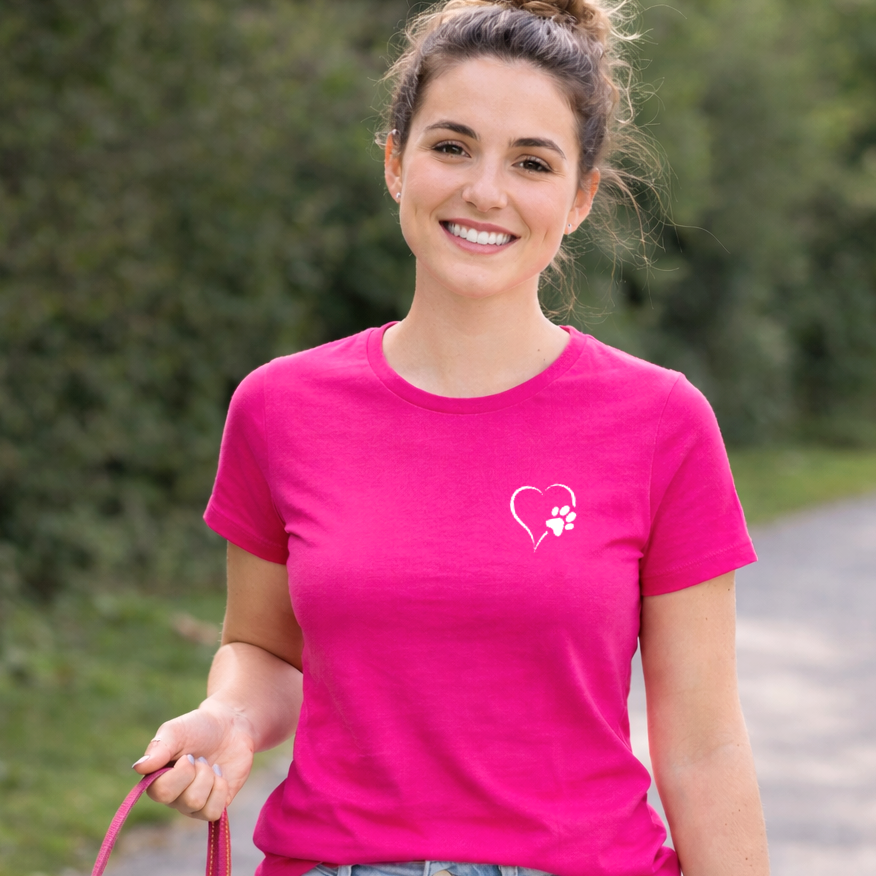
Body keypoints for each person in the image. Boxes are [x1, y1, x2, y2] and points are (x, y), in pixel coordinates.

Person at [133, 1, 770, 874]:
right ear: (396, 164)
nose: (485, 192)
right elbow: (266, 651)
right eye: (451, 146)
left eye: (532, 162)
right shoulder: (280, 408)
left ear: (580, 197)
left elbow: (704, 749)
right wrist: (231, 720)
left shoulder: (662, 424)